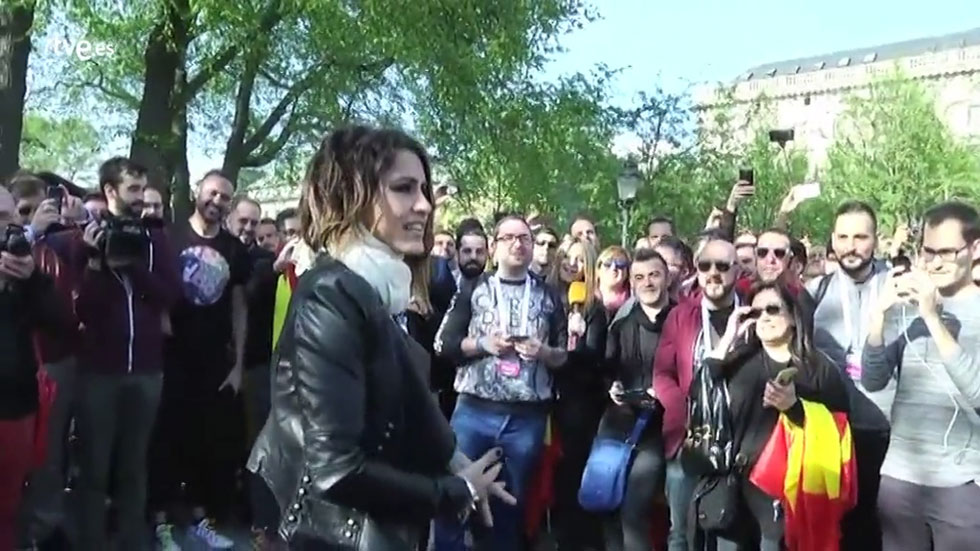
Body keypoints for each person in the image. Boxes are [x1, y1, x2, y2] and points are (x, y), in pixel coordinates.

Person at [248, 126, 510, 550]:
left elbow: (409, 394)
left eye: (424, 189)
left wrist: (457, 464)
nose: (424, 205)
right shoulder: (332, 293)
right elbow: (337, 470)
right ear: (353, 196)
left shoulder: (374, 287)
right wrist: (457, 490)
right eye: (404, 189)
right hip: (328, 532)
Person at [434, 214, 567, 551]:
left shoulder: (549, 295)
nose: (517, 244)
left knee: (509, 508)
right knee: (454, 498)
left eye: (524, 238)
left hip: (527, 418)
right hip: (474, 412)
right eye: (508, 238)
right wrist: (483, 344)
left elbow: (565, 355)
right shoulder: (473, 288)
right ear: (493, 247)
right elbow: (443, 344)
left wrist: (544, 352)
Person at [863, 201, 980, 551]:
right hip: (900, 477)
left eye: (947, 252)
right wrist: (878, 318)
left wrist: (932, 318)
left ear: (975, 249)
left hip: (961, 483)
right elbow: (873, 380)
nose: (935, 262)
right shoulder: (907, 308)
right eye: (929, 252)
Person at [702, 281, 850, 550]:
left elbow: (839, 429)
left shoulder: (818, 368)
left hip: (785, 490)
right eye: (755, 312)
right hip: (735, 487)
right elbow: (700, 392)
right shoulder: (738, 359)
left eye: (772, 309)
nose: (764, 317)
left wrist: (795, 408)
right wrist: (729, 337)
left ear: (793, 317)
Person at [0, 186, 73, 551]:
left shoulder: (25, 271)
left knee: (8, 509)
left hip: (17, 411)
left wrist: (32, 280)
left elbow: (62, 324)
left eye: (10, 216)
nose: (8, 226)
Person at [602, 248, 674, 551]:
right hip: (619, 422)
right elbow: (608, 369)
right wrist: (613, 386)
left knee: (634, 511)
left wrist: (666, 390)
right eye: (640, 277)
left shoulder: (683, 320)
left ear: (667, 278)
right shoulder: (622, 323)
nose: (647, 283)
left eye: (654, 275)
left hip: (660, 429)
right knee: (603, 502)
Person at [547, 237, 608, 551]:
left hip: (580, 402)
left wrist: (575, 344)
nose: (572, 265)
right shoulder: (546, 299)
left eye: (580, 259)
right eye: (568, 258)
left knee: (572, 470)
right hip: (546, 397)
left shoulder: (594, 307)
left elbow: (595, 356)